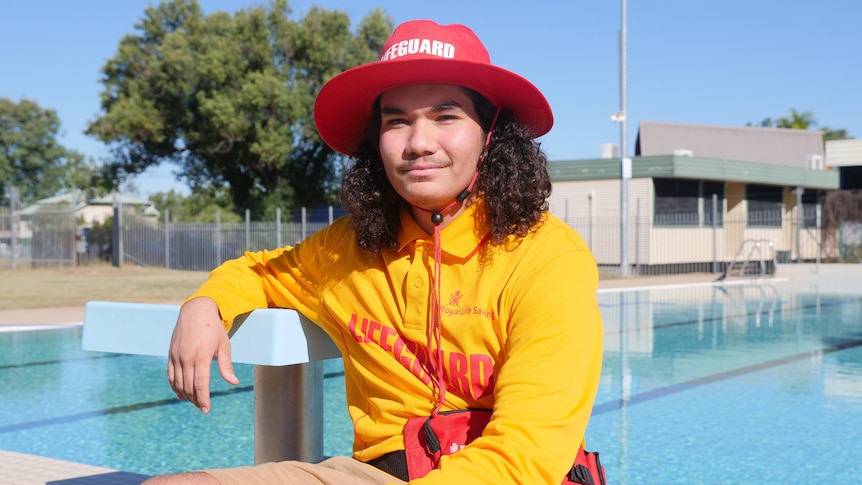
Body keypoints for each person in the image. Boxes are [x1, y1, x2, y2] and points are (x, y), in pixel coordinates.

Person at [144, 19, 603, 485]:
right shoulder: (348, 248)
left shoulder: (547, 257)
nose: (419, 143)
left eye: (446, 117)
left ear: (490, 134)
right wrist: (206, 304)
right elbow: (260, 273)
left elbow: (526, 451)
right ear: (375, 141)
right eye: (397, 121)